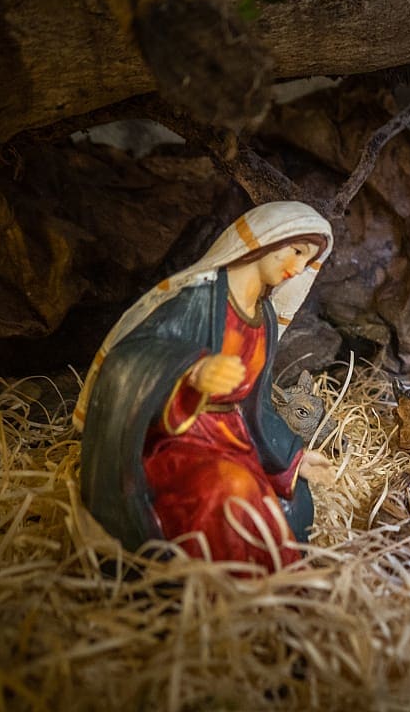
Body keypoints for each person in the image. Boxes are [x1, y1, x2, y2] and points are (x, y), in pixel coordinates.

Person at [74, 201, 336, 570]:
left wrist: (294, 458)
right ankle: (214, 591)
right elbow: (127, 360)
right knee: (232, 488)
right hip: (176, 439)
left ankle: (269, 588)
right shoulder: (198, 299)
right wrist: (191, 373)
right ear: (267, 240)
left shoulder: (264, 318)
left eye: (306, 261)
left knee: (293, 503)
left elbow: (256, 407)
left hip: (233, 440)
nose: (296, 269)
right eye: (296, 251)